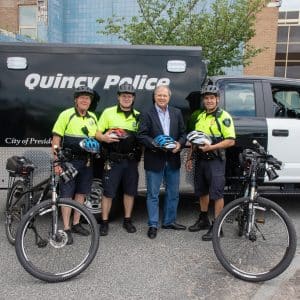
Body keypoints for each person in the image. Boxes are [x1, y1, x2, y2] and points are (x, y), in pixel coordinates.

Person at [186, 84, 236, 241]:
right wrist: (189, 157)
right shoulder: (200, 116)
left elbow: (231, 141)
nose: (209, 101)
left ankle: (217, 226)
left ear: (217, 99)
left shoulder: (223, 117)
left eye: (212, 98)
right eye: (206, 98)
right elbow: (194, 140)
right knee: (202, 191)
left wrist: (212, 147)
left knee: (217, 193)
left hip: (215, 160)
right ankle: (203, 219)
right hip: (200, 160)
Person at [138, 85, 187, 239]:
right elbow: (141, 135)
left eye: (164, 95)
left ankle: (169, 221)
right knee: (153, 194)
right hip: (155, 158)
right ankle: (153, 224)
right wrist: (155, 144)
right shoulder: (146, 113)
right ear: (154, 96)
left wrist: (179, 144)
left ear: (169, 97)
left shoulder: (176, 112)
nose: (162, 98)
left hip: (172, 158)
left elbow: (183, 133)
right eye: (159, 95)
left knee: (173, 193)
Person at [52, 85, 98, 245]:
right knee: (66, 194)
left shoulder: (93, 117)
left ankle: (76, 223)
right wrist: (57, 161)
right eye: (82, 98)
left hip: (87, 161)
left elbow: (95, 137)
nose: (85, 100)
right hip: (69, 161)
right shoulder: (66, 114)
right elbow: (56, 139)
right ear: (76, 100)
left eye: (88, 98)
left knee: (81, 193)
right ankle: (66, 228)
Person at [96, 82, 141, 236]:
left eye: (129, 96)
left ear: (133, 98)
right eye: (123, 96)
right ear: (118, 97)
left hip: (130, 161)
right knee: (108, 192)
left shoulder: (138, 116)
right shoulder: (108, 113)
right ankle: (104, 222)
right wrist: (104, 138)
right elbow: (97, 133)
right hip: (112, 160)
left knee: (130, 192)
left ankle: (127, 220)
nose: (126, 98)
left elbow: (141, 138)